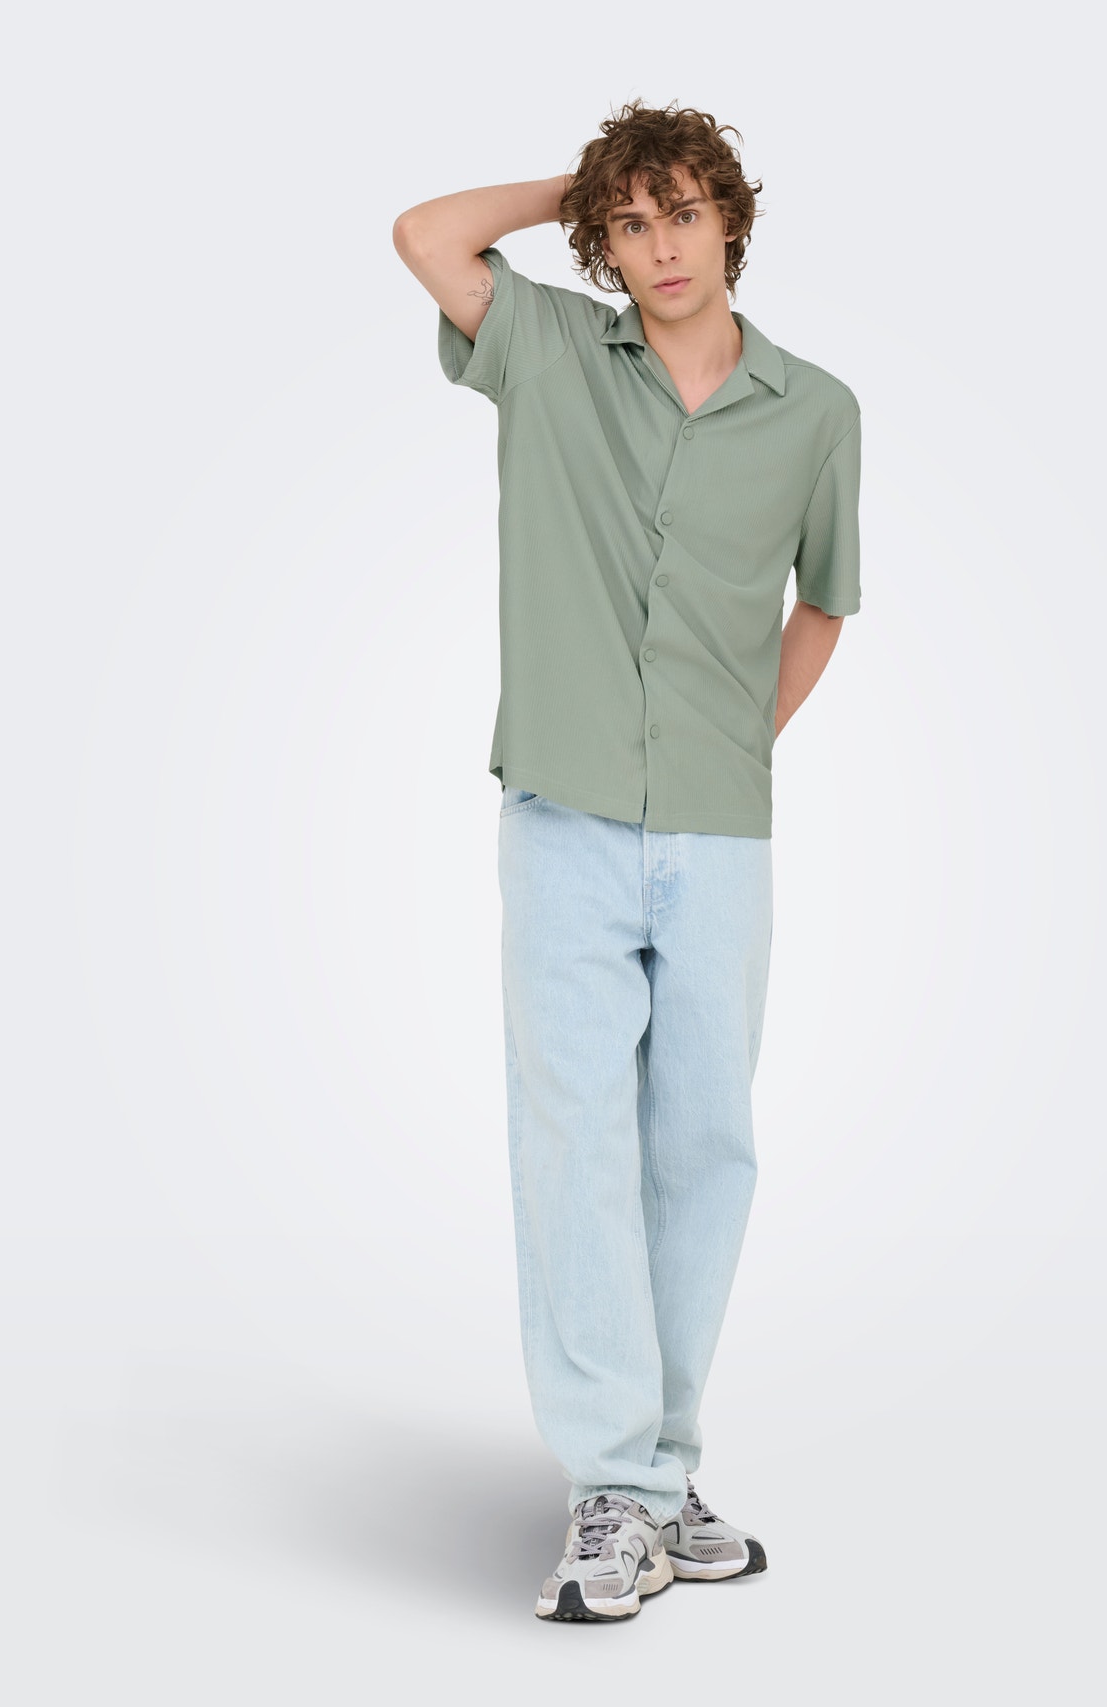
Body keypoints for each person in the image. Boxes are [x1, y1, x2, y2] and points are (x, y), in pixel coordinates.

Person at [392, 98, 861, 1622]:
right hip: (567, 814)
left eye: (684, 213)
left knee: (703, 1151)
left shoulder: (816, 409)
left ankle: (660, 1470)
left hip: (720, 828)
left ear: (733, 218)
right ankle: (619, 1488)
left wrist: (739, 737)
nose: (661, 247)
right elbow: (425, 235)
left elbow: (823, 604)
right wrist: (580, 182)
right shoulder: (547, 350)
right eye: (631, 224)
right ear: (602, 241)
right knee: (576, 1147)